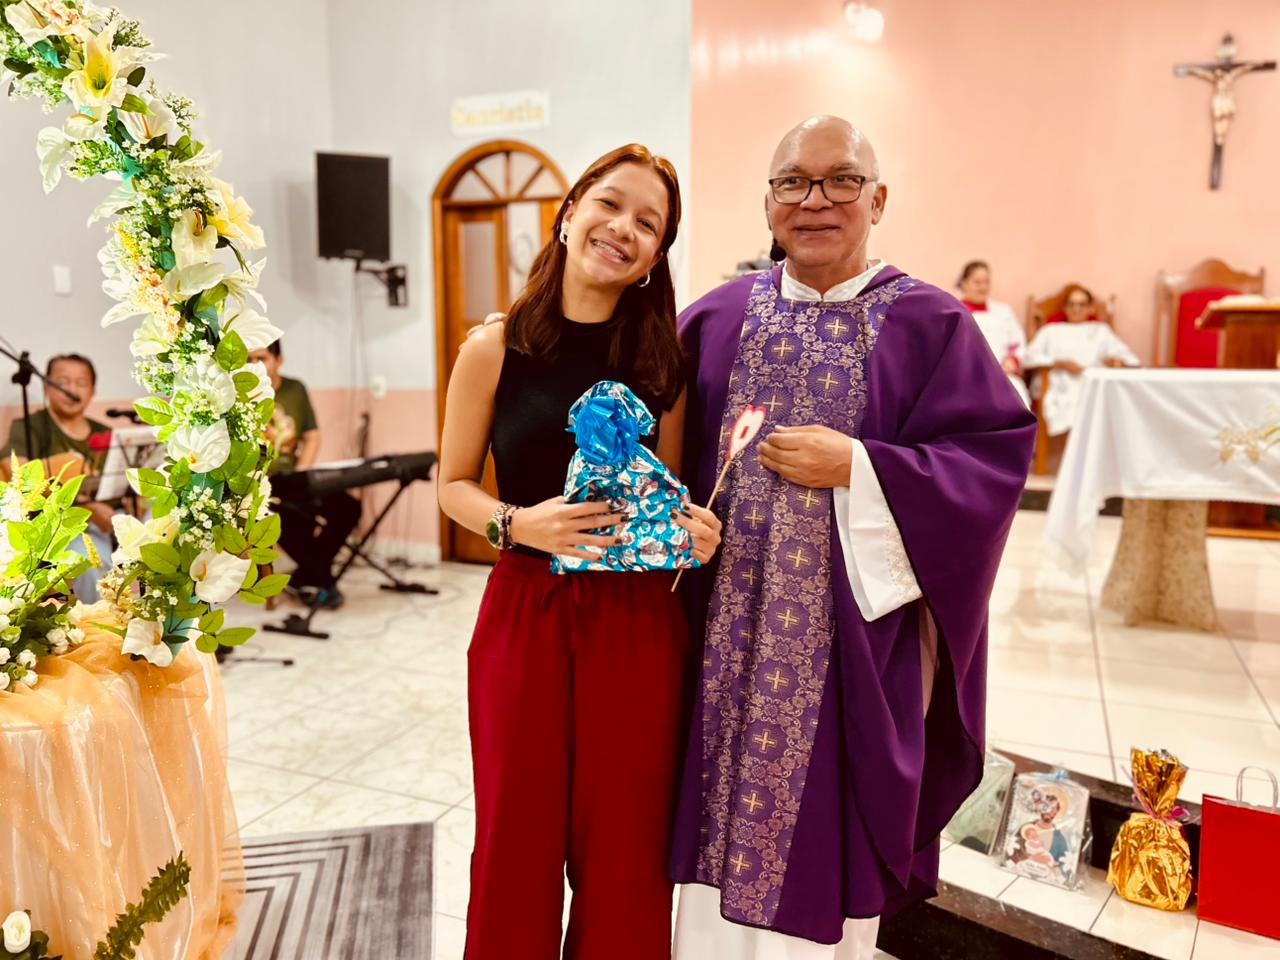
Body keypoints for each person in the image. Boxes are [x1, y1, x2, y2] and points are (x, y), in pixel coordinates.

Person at [669, 117, 1036, 959]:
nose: (815, 200)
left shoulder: (931, 323)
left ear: (878, 199)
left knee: (829, 858)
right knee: (703, 860)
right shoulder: (716, 317)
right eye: (792, 182)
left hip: (851, 652)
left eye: (840, 180)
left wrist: (862, 468)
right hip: (716, 644)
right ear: (768, 201)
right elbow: (651, 438)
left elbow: (991, 462)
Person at [438, 144, 722, 960]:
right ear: (569, 215)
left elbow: (667, 500)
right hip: (524, 610)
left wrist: (694, 533)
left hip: (638, 621)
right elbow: (451, 485)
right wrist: (516, 524)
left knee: (628, 848)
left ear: (657, 255)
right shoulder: (493, 349)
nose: (623, 228)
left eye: (648, 223)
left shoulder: (664, 364)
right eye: (609, 204)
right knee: (514, 837)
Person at [245, 340, 361, 608]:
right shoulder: (238, 394)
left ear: (278, 360)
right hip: (259, 482)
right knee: (290, 518)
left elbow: (312, 435)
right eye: (248, 360)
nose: (253, 366)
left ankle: (309, 576)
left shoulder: (295, 389)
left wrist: (301, 473)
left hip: (294, 476)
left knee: (348, 507)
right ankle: (321, 579)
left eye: (261, 358)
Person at [1, 353, 116, 599]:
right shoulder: (30, 427)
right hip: (63, 526)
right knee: (90, 563)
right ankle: (97, 622)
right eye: (62, 382)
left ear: (93, 390)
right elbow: (15, 470)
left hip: (110, 521)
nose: (71, 389)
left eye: (81, 383)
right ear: (46, 387)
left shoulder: (106, 432)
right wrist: (88, 507)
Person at [1022, 285, 1140, 437]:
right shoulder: (1050, 331)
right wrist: (1060, 363)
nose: (1076, 309)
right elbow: (1028, 358)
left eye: (1081, 304)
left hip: (1093, 383)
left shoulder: (1101, 331)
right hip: (1059, 383)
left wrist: (1115, 362)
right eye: (1071, 304)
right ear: (1065, 307)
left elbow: (1130, 359)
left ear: (1090, 308)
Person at [957, 260, 1030, 406]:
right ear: (964, 283)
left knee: (1017, 396)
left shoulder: (1004, 312)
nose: (983, 287)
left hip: (1003, 375)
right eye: (977, 282)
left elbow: (1017, 341)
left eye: (986, 282)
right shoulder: (957, 313)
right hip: (969, 379)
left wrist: (1012, 360)